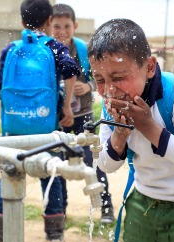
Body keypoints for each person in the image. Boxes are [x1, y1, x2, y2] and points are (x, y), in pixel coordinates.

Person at [89, 19, 174, 242]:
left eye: (118, 78)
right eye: (99, 80)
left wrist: (147, 126)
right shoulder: (110, 103)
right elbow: (105, 165)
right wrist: (119, 134)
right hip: (142, 204)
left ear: (149, 67)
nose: (109, 89)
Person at [0, 0, 80, 242]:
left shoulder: (11, 49)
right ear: (50, 21)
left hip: (13, 130)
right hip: (46, 128)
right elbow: (71, 72)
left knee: (9, 172)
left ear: (21, 22)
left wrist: (18, 109)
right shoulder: (55, 47)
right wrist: (66, 105)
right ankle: (55, 234)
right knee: (51, 175)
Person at [50, 3, 115, 224]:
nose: (62, 31)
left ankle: (106, 207)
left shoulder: (83, 50)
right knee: (58, 164)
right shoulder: (47, 51)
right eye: (56, 26)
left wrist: (88, 87)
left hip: (83, 116)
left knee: (91, 160)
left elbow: (102, 78)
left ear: (75, 26)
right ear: (49, 25)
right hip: (58, 119)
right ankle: (61, 209)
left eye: (66, 26)